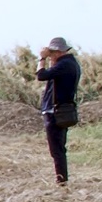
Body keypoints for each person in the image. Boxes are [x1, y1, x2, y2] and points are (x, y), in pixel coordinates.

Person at [36, 37, 82, 185]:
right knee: (59, 147)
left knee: (56, 148)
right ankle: (62, 178)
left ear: (58, 51)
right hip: (63, 109)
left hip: (55, 111)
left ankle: (61, 180)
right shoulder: (71, 64)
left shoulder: (64, 65)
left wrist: (42, 59)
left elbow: (41, 75)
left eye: (52, 52)